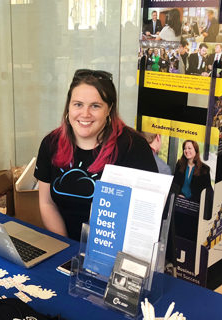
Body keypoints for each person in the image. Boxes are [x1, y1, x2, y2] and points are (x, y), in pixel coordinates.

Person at [34, 69, 158, 241]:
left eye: (95, 106)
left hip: (113, 250)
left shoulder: (133, 146)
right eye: (78, 104)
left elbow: (143, 214)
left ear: (109, 110)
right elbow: (47, 203)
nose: (85, 114)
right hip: (64, 245)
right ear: (68, 107)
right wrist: (65, 248)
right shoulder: (51, 143)